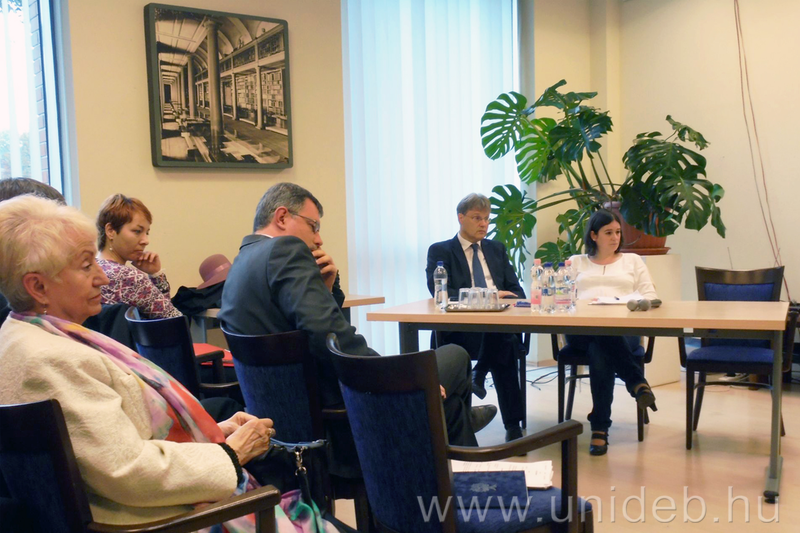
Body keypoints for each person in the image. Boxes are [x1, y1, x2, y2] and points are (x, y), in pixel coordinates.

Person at [0, 195, 331, 531]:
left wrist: (211, 434)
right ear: (38, 286)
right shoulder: (52, 359)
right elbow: (128, 472)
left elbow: (109, 446)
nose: (102, 277)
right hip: (164, 520)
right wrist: (231, 453)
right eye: (87, 266)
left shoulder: (25, 337)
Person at [219, 183, 497, 473]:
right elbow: (327, 333)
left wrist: (326, 290)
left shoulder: (242, 261)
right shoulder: (285, 249)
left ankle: (454, 421)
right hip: (345, 418)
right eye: (313, 226)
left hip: (289, 423)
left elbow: (303, 330)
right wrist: (391, 375)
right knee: (455, 355)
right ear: (282, 217)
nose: (318, 239)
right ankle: (459, 439)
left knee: (448, 401)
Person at [426, 193, 526, 442]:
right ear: (461, 218)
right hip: (461, 331)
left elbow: (517, 291)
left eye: (487, 219)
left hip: (499, 325)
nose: (484, 224)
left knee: (503, 337)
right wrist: (488, 296)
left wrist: (503, 297)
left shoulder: (496, 249)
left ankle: (479, 374)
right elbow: (440, 292)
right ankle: (513, 425)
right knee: (504, 342)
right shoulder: (441, 251)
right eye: (477, 218)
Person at [566, 209, 659, 456]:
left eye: (618, 232)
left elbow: (651, 296)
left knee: (601, 348)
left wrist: (631, 302)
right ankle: (636, 382)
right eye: (608, 232)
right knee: (601, 339)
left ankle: (600, 427)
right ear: (593, 235)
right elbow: (562, 297)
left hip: (622, 331)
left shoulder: (633, 261)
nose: (615, 237)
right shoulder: (577, 262)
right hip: (580, 332)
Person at [95, 193, 182, 318]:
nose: (146, 241)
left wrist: (154, 273)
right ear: (110, 231)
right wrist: (158, 276)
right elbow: (173, 319)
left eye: (147, 233)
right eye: (137, 231)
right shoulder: (128, 277)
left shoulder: (89, 269)